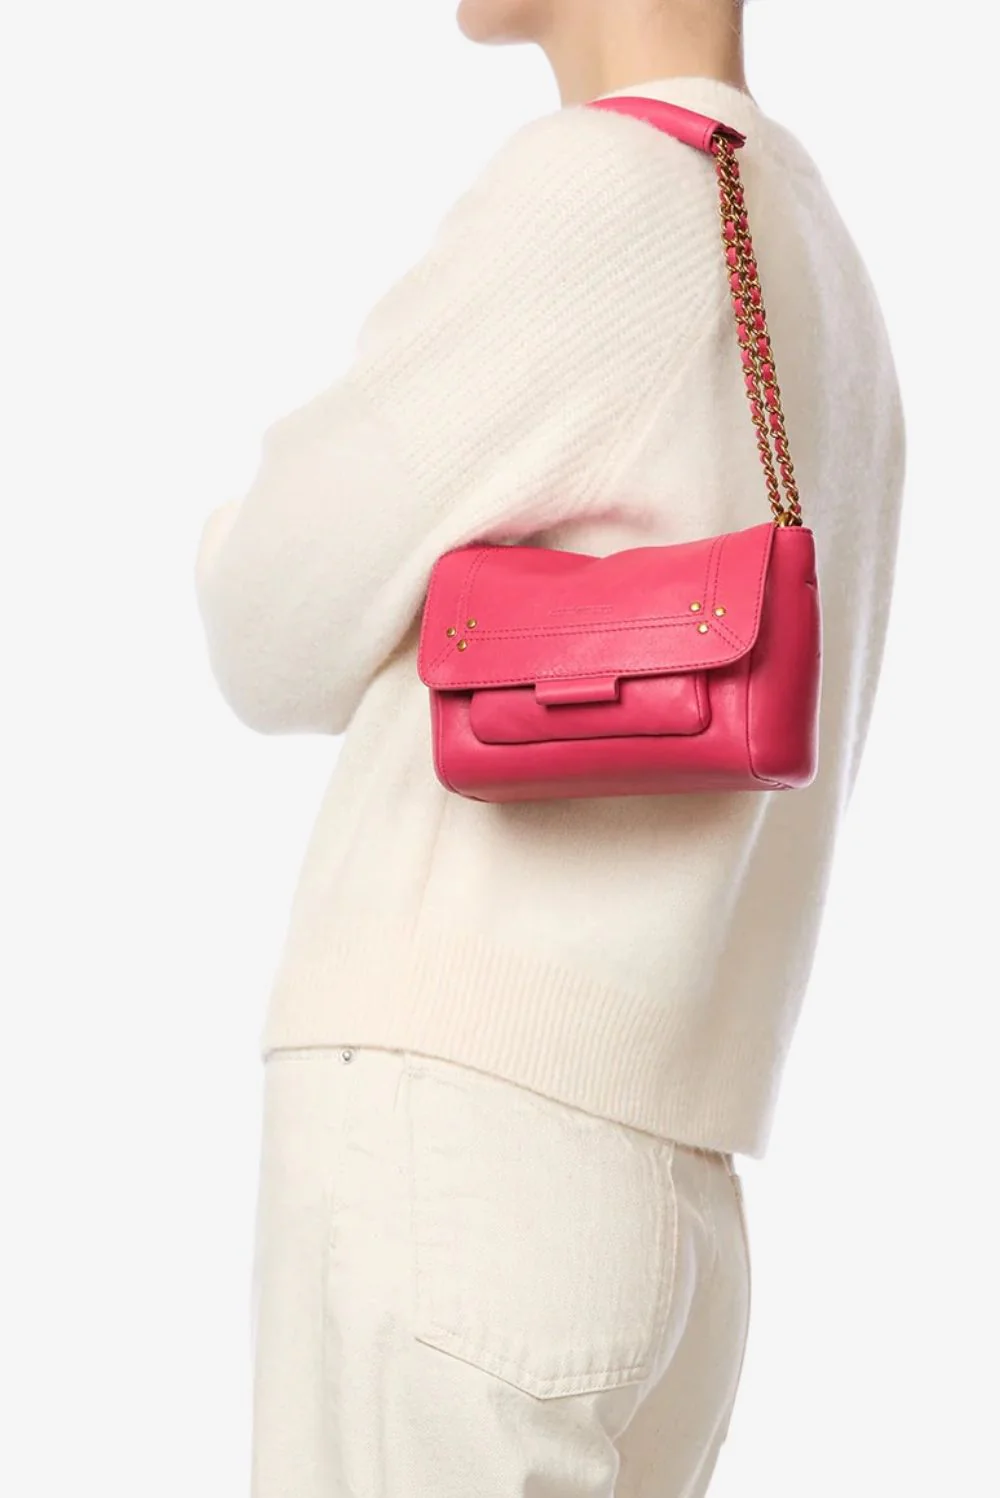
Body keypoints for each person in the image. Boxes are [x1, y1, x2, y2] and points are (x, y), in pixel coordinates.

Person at [193, 1, 905, 1493]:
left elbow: (268, 615)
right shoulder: (813, 245)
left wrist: (225, 544)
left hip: (455, 1136)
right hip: (671, 1179)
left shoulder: (601, 187)